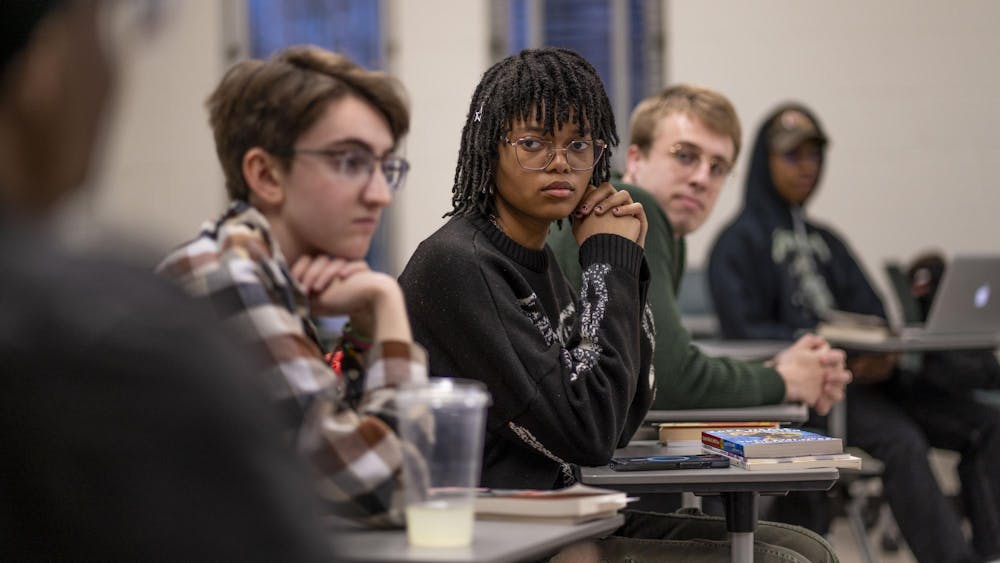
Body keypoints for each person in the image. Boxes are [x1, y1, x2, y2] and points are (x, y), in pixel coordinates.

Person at [399, 48, 836, 563]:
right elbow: (590, 433)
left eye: (578, 144)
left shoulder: (540, 258)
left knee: (808, 546)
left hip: (557, 515)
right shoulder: (461, 262)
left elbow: (625, 411)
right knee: (786, 562)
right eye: (534, 143)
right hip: (498, 533)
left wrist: (626, 270)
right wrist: (608, 265)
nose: (560, 162)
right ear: (489, 148)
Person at [0, 1, 333, 560]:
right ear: (45, 68)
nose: (379, 192)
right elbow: (359, 479)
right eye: (349, 161)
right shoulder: (112, 331)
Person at [708, 102, 1000, 563]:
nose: (807, 167)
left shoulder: (829, 240)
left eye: (814, 155)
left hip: (873, 383)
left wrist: (882, 352)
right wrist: (827, 356)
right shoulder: (736, 244)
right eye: (792, 155)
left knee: (986, 424)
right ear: (765, 161)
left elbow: (873, 311)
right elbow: (744, 333)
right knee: (902, 441)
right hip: (812, 394)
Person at [156, 45, 427, 529]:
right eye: (350, 162)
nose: (380, 194)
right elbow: (396, 485)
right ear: (265, 175)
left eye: (385, 166)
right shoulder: (230, 276)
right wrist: (388, 303)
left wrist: (365, 334)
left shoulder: (261, 268)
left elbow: (338, 450)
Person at [549, 84, 850, 415]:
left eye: (718, 167)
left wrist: (776, 369)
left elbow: (656, 368)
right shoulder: (630, 208)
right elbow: (667, 379)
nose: (702, 178)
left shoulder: (657, 227)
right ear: (635, 158)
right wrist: (783, 380)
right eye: (685, 156)